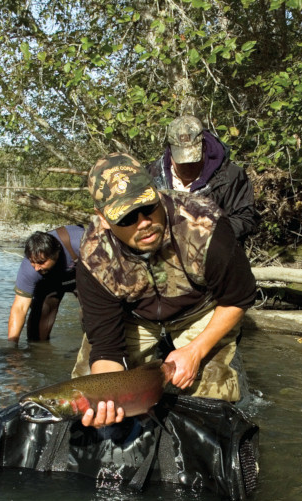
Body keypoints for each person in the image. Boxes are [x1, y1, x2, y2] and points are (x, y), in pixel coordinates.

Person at [74, 153, 257, 429]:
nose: (143, 222)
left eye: (148, 207)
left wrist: (195, 351)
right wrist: (106, 400)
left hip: (200, 310)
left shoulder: (205, 225)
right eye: (126, 217)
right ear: (102, 218)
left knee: (213, 396)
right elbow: (107, 350)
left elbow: (239, 298)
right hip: (133, 315)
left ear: (156, 192)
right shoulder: (94, 257)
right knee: (86, 395)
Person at [147, 115, 260, 244]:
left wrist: (209, 231)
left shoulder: (231, 176)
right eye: (182, 162)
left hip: (215, 255)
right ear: (170, 151)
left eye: (193, 160)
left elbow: (246, 219)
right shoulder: (150, 176)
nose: (188, 167)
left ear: (204, 147)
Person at [8, 225, 84, 343]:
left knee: (92, 315)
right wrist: (12, 347)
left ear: (56, 253)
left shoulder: (80, 241)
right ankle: (38, 356)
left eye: (41, 262)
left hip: (84, 277)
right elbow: (19, 308)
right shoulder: (29, 269)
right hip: (50, 282)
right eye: (33, 262)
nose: (37, 268)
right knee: (36, 332)